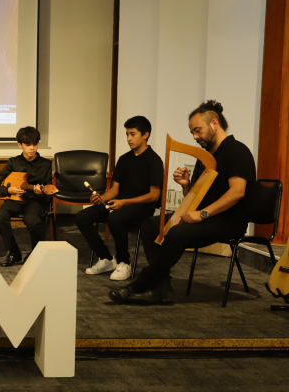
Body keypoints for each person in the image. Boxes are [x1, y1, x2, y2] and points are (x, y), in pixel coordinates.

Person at [110, 100, 256, 305]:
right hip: (206, 217)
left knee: (177, 232)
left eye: (197, 130)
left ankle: (140, 284)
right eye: (192, 133)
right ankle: (161, 288)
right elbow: (196, 198)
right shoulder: (206, 156)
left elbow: (237, 192)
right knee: (150, 225)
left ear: (214, 124)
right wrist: (187, 185)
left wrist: (202, 214)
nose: (195, 137)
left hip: (228, 220)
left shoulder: (236, 151)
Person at [78, 116, 163, 281]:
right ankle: (106, 258)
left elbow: (154, 195)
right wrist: (100, 198)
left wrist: (124, 202)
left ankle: (124, 262)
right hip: (119, 203)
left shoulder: (154, 161)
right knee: (83, 217)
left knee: (115, 219)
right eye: (127, 134)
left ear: (145, 135)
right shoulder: (124, 159)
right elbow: (115, 190)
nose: (129, 138)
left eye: (133, 134)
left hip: (141, 207)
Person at [0, 127, 52, 267]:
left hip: (35, 201)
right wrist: (8, 190)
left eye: (35, 144)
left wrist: (41, 193)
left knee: (31, 220)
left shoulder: (46, 164)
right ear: (20, 144)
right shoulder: (13, 162)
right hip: (15, 199)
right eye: (28, 145)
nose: (32, 148)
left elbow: (49, 192)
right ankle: (14, 252)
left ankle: (36, 252)